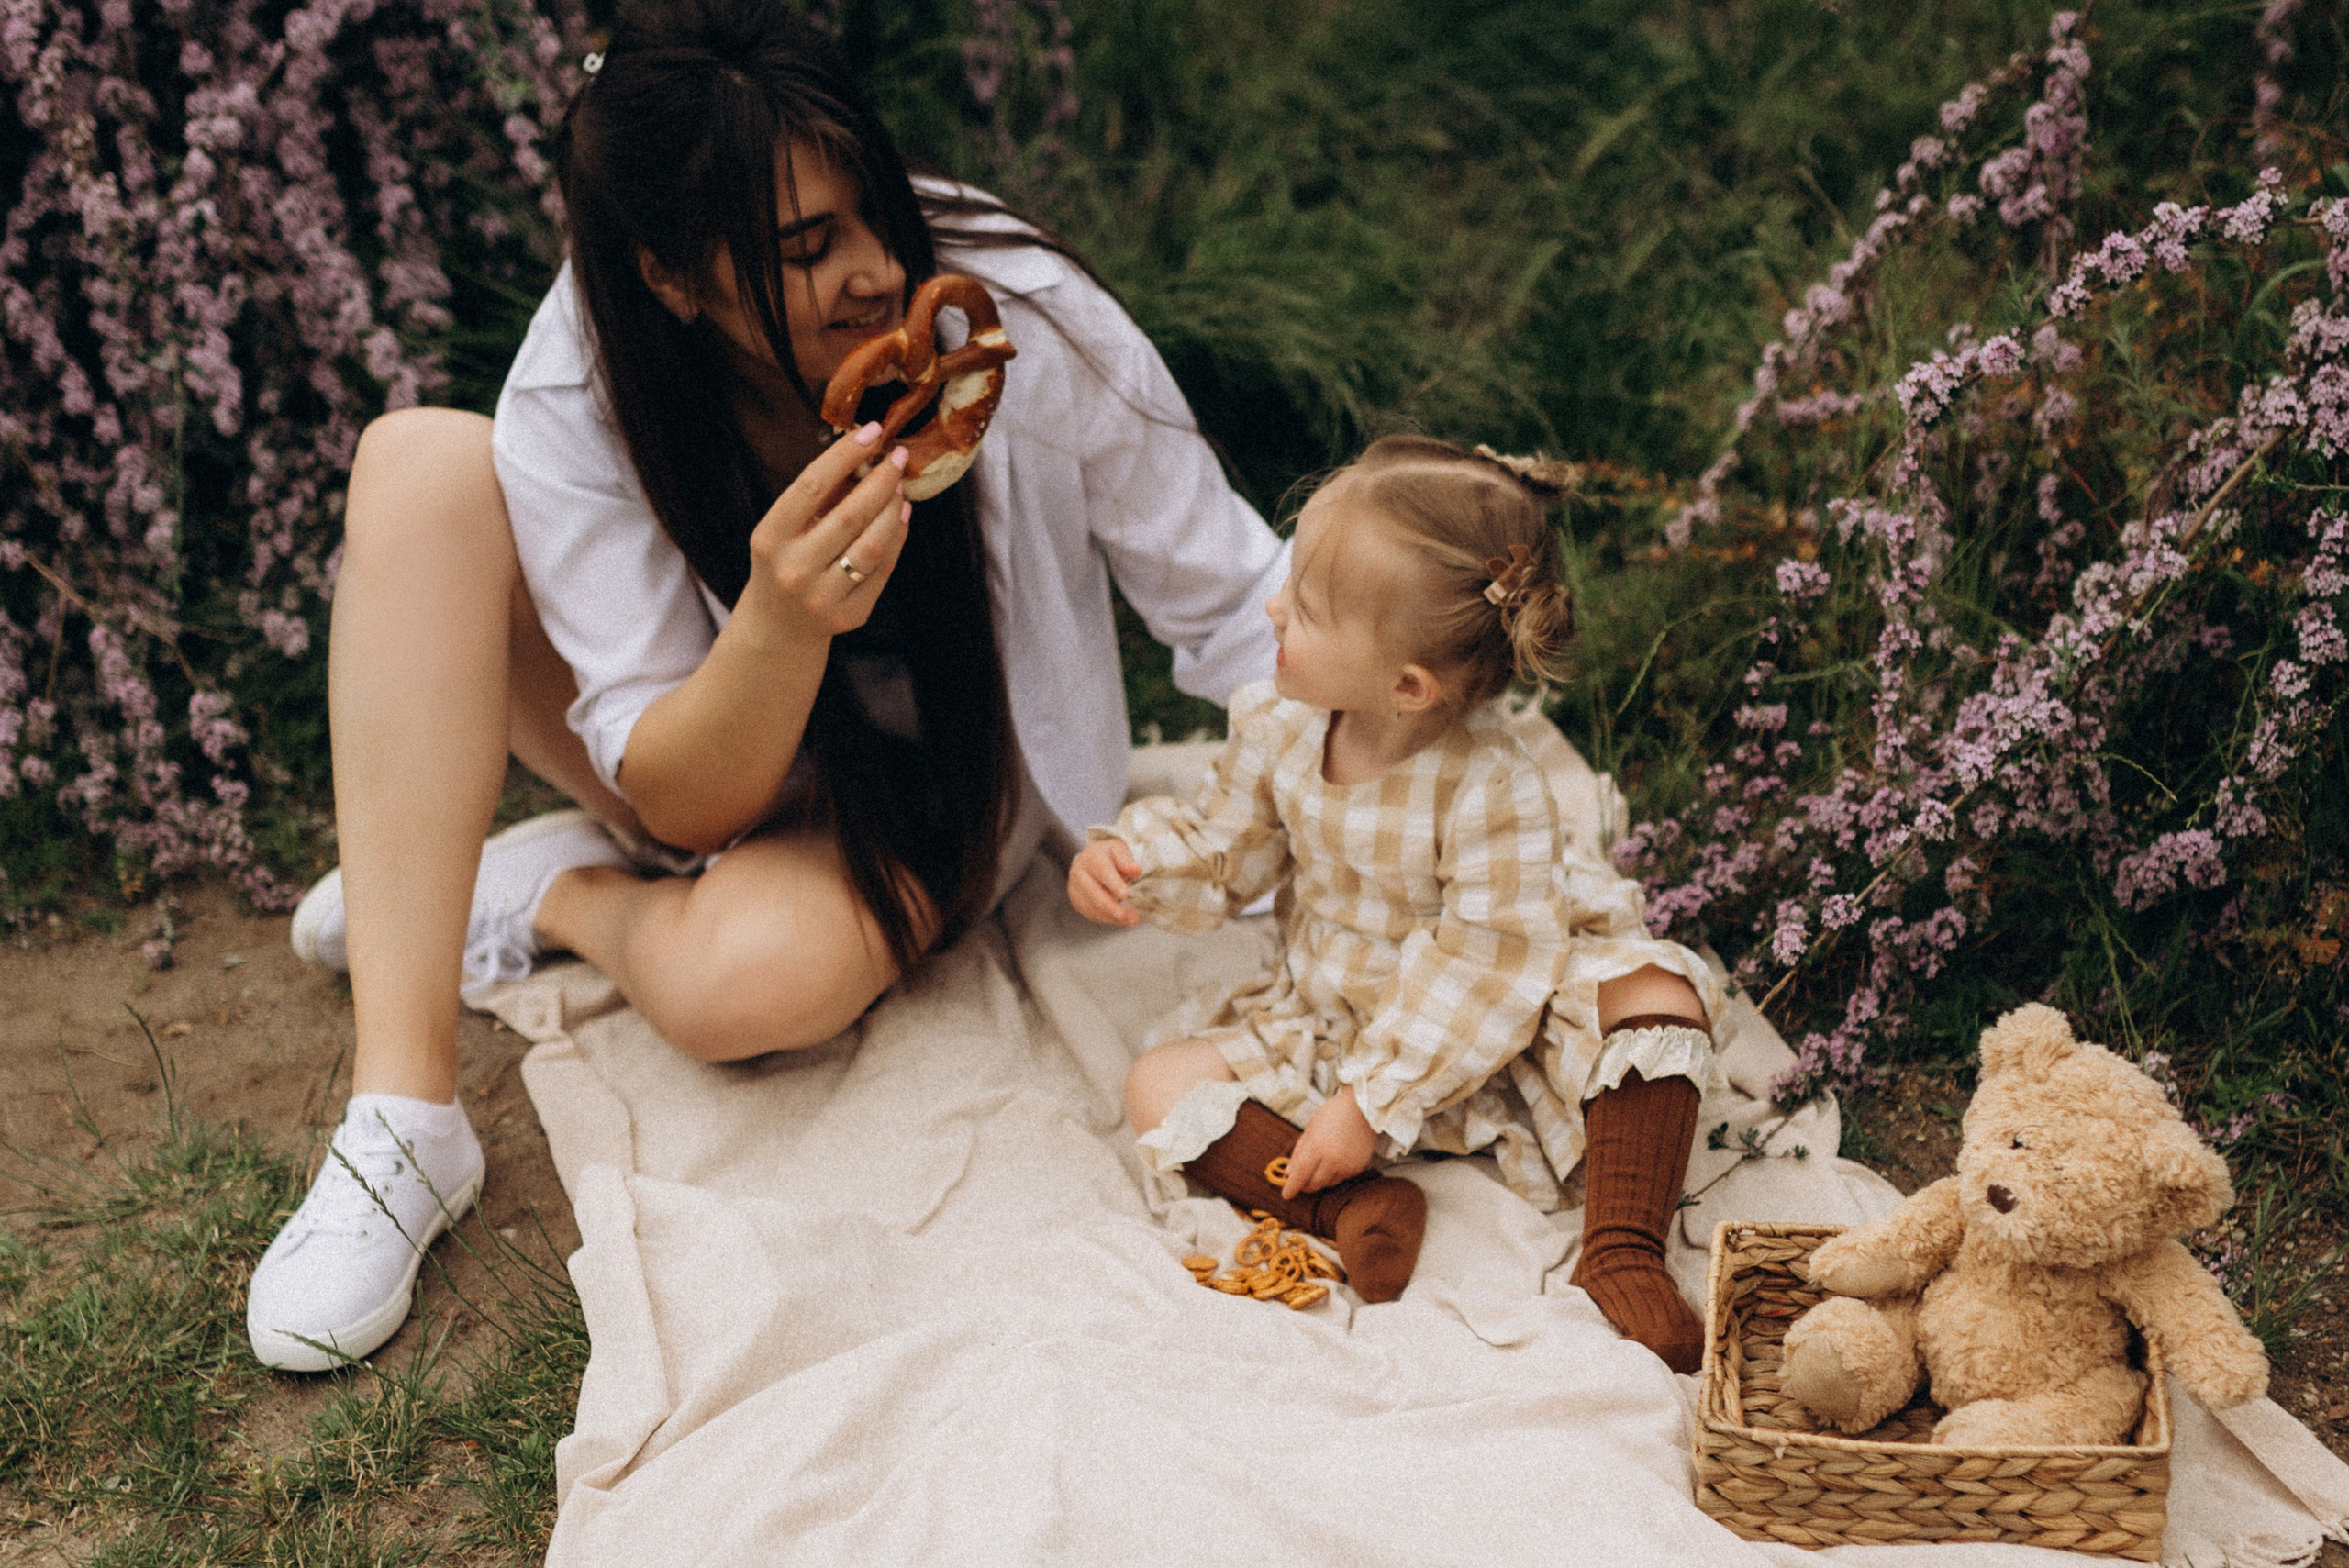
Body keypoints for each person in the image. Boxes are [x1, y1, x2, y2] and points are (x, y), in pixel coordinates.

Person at [245, 0, 1290, 1372]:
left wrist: (1372, 808)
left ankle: (552, 896)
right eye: (805, 249)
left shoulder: (1007, 307)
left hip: (936, 788)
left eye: (874, 212)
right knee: (419, 468)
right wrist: (784, 620)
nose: (874, 271)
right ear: (674, 277)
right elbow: (683, 794)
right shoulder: (588, 381)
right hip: (704, 763)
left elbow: (1228, 594)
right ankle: (403, 1121)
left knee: (740, 989)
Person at [1070, 436, 1723, 1369]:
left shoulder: (1492, 785)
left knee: (1658, 993)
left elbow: (1488, 960)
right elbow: (1230, 848)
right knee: (1157, 1085)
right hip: (1346, 1008)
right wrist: (1138, 862)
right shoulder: (1278, 724)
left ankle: (1623, 1244)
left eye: (1306, 608)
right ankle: (1349, 1203)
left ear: (1407, 686)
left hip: (1504, 1005)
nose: (1272, 608)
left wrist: (1372, 1103)